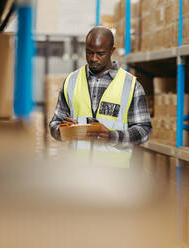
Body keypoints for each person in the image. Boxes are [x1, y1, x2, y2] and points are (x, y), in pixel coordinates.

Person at [49, 26, 152, 166]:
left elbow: (144, 130)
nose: (93, 58)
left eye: (100, 53)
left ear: (112, 51)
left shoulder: (131, 86)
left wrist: (112, 136)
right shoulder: (71, 81)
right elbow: (55, 124)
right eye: (89, 52)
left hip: (114, 174)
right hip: (77, 172)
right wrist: (62, 130)